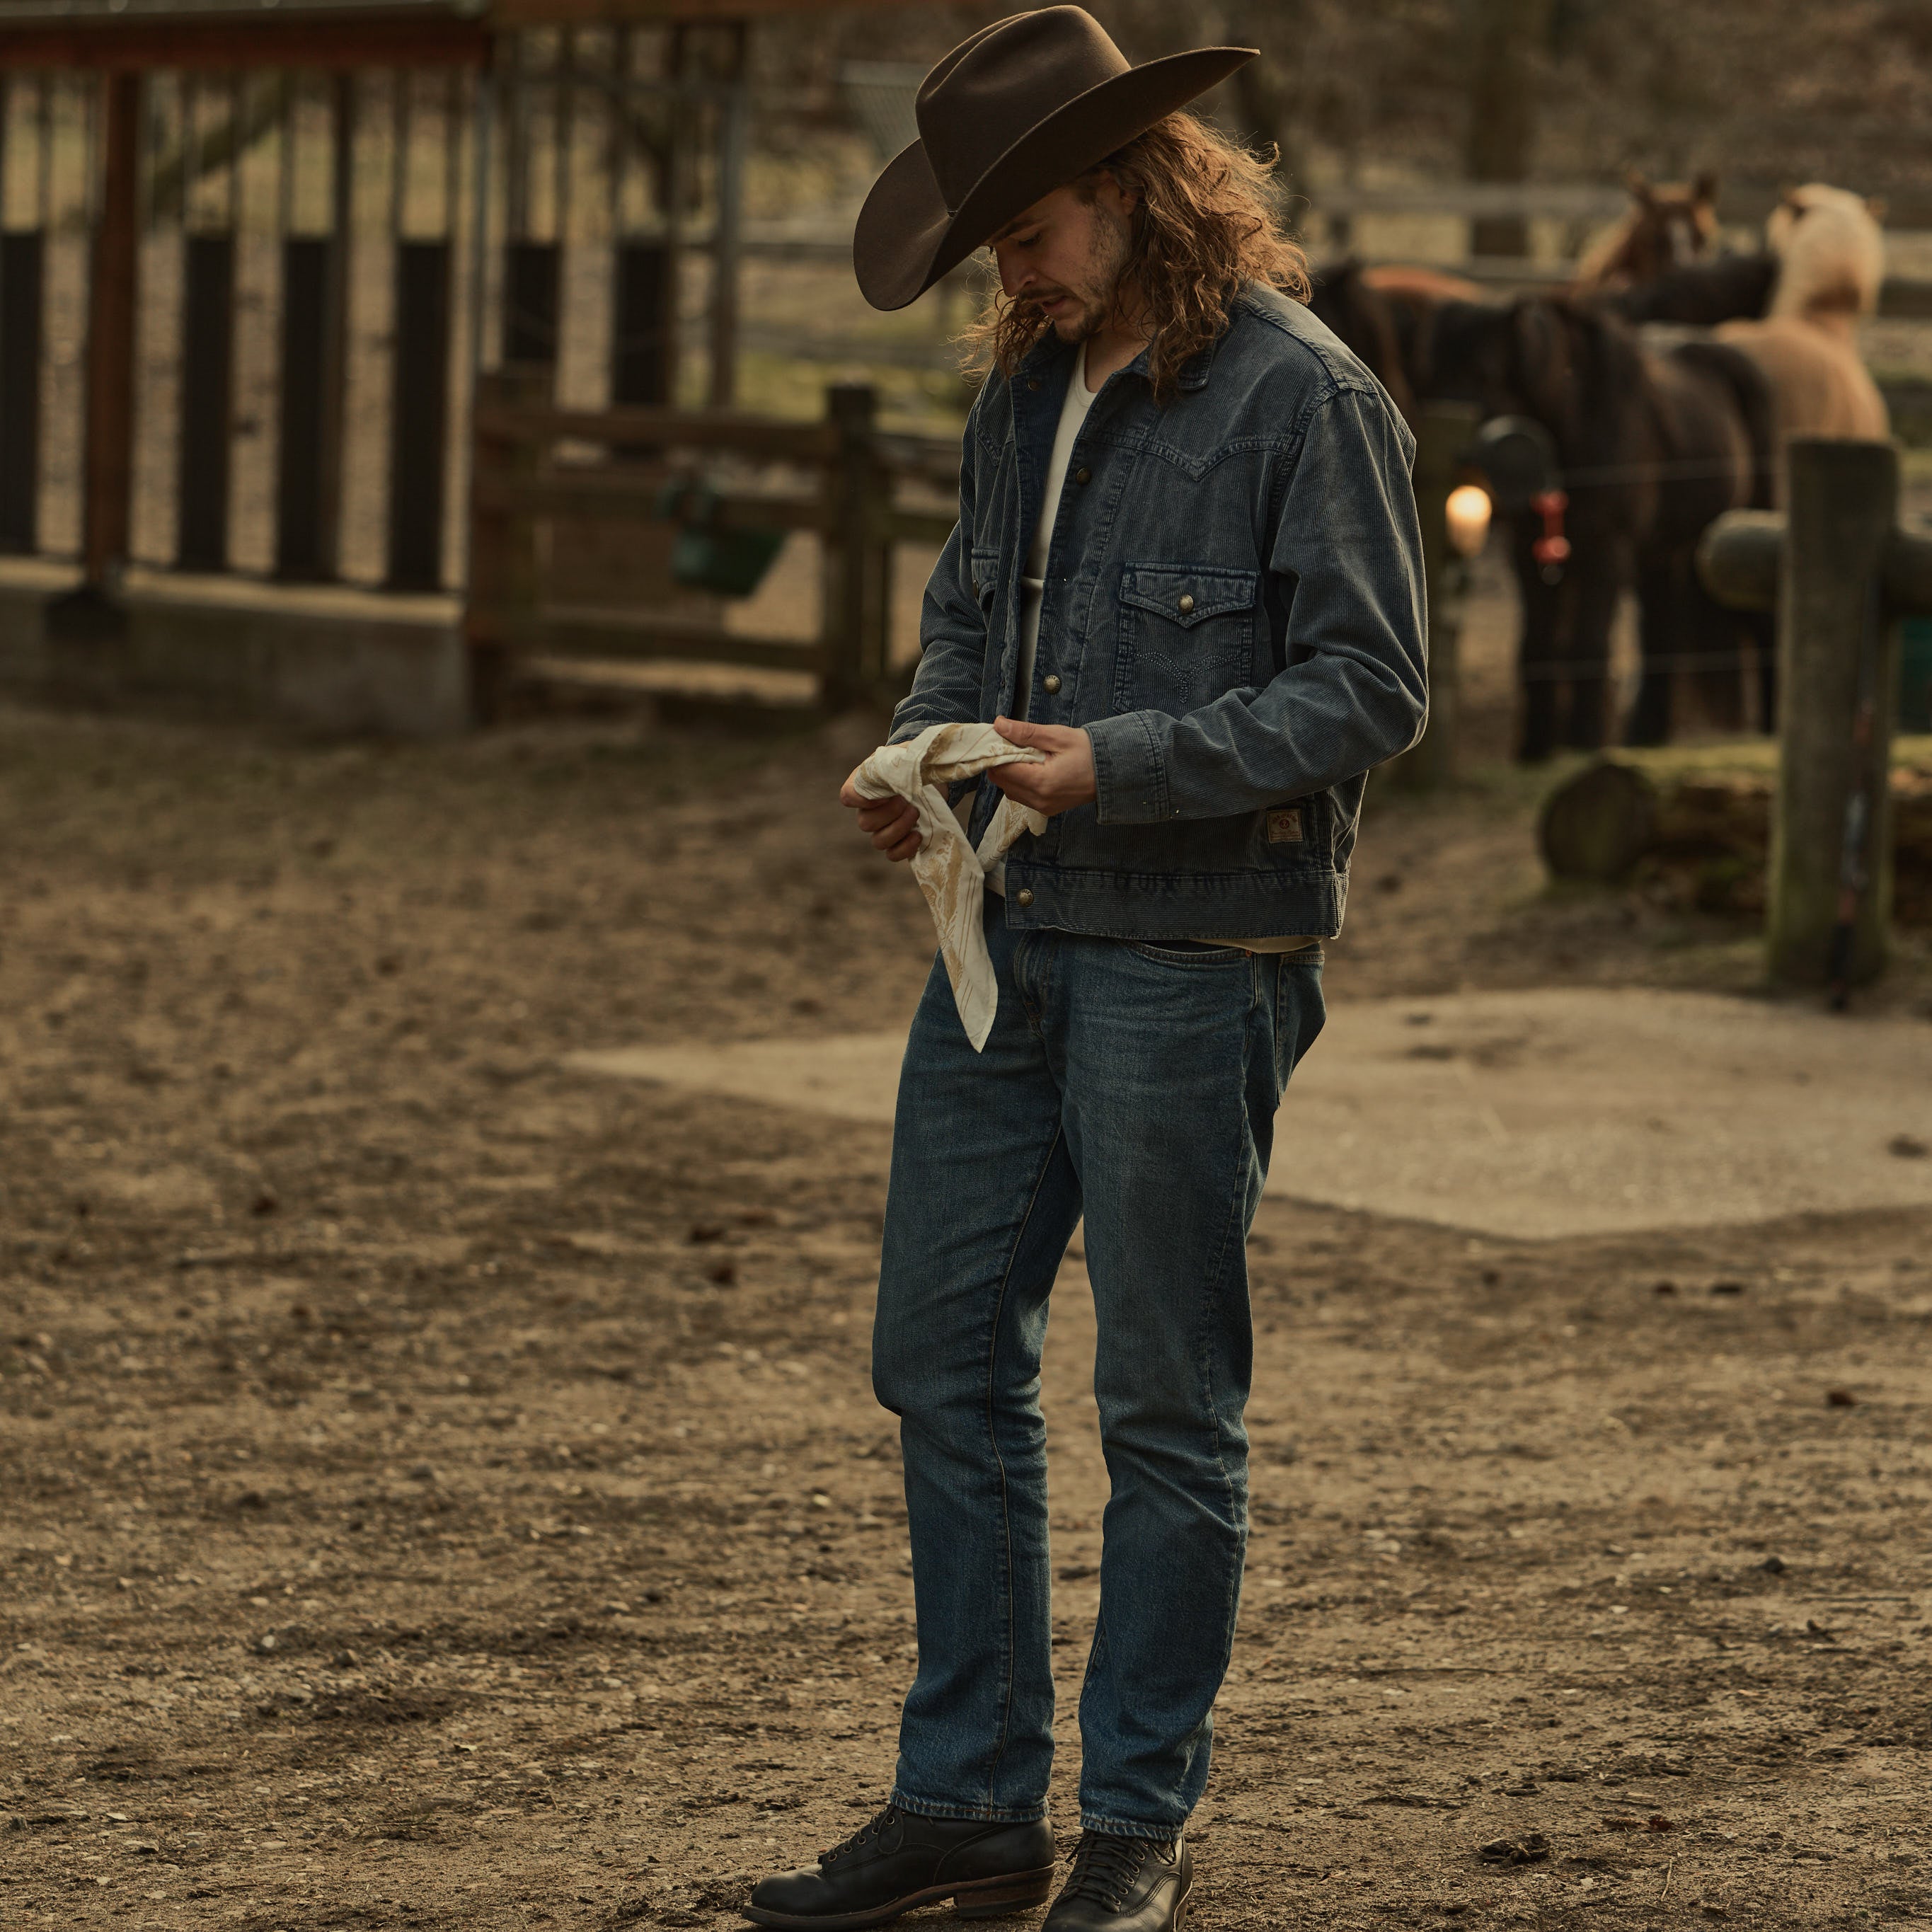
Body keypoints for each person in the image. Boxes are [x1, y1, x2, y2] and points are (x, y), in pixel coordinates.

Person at [746, 9, 1426, 1930]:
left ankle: (1134, 1817)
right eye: (994, 247)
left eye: (1030, 229)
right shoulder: (1021, 392)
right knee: (937, 1362)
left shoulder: (1306, 403)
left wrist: (1109, 762)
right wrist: (925, 747)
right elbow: (971, 613)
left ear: (1134, 189)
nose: (1012, 272)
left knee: (1162, 1404)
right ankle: (966, 1797)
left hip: (1190, 957)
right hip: (1005, 941)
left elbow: (1373, 689)